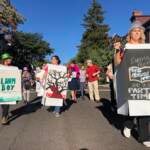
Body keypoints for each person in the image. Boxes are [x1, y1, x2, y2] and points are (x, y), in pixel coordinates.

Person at [115, 21, 150, 147]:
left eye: (139, 31)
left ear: (142, 33)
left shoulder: (147, 47)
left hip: (145, 82)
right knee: (133, 108)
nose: (137, 32)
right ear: (130, 33)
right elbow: (118, 63)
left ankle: (145, 137)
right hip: (129, 80)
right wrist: (117, 51)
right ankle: (128, 124)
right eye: (134, 31)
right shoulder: (126, 46)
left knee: (145, 108)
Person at [0, 53, 13, 125]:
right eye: (9, 58)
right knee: (3, 103)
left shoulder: (12, 68)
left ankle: (4, 117)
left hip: (9, 88)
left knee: (7, 103)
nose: (10, 60)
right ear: (5, 59)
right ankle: (4, 116)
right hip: (2, 88)